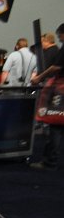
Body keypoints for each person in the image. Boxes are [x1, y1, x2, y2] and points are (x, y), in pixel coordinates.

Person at [30, 24, 64, 169]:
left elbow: (56, 67)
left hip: (61, 90)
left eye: (60, 36)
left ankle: (50, 161)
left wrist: (39, 77)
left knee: (55, 125)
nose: (59, 39)